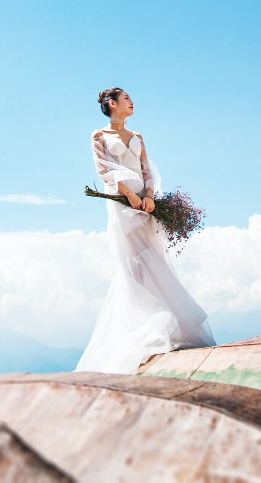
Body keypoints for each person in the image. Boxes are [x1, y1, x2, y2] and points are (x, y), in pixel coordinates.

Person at [76, 87, 214, 372]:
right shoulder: (99, 136)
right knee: (133, 262)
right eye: (126, 98)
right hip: (122, 203)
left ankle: (171, 323)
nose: (131, 102)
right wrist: (129, 195)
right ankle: (147, 326)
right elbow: (104, 170)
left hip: (146, 204)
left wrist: (149, 196)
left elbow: (146, 170)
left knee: (154, 256)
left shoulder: (137, 136)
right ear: (111, 103)